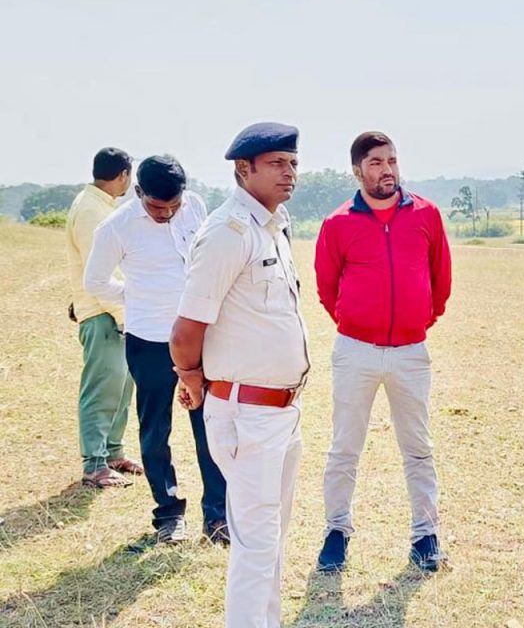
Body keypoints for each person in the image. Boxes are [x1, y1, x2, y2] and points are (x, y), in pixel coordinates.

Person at [170, 123, 307, 627]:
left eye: (293, 163)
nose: (289, 173)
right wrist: (191, 379)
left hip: (281, 410)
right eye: (277, 163)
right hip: (247, 412)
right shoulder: (228, 232)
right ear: (243, 169)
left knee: (270, 541)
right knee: (254, 545)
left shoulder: (272, 224)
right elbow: (186, 329)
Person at [314, 131, 452, 573]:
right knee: (345, 446)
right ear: (358, 171)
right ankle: (336, 532)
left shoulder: (426, 214)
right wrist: (356, 323)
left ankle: (425, 535)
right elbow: (326, 287)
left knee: (418, 446)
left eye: (391, 160)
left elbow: (441, 279)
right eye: (376, 162)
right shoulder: (338, 223)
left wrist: (420, 321)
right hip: (355, 351)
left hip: (411, 351)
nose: (387, 169)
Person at [84, 154, 227, 544]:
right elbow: (95, 281)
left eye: (173, 206)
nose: (166, 214)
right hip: (149, 339)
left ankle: (217, 515)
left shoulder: (195, 205)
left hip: (198, 335)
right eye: (157, 207)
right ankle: (168, 514)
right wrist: (135, 296)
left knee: (210, 425)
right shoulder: (116, 227)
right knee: (155, 429)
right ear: (138, 192)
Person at [65, 147, 142, 488]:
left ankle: (113, 452)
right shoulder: (90, 210)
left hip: (117, 311)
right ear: (123, 175)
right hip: (103, 312)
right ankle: (94, 465)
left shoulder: (101, 206)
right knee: (101, 388)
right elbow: (97, 272)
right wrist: (121, 315)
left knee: (121, 387)